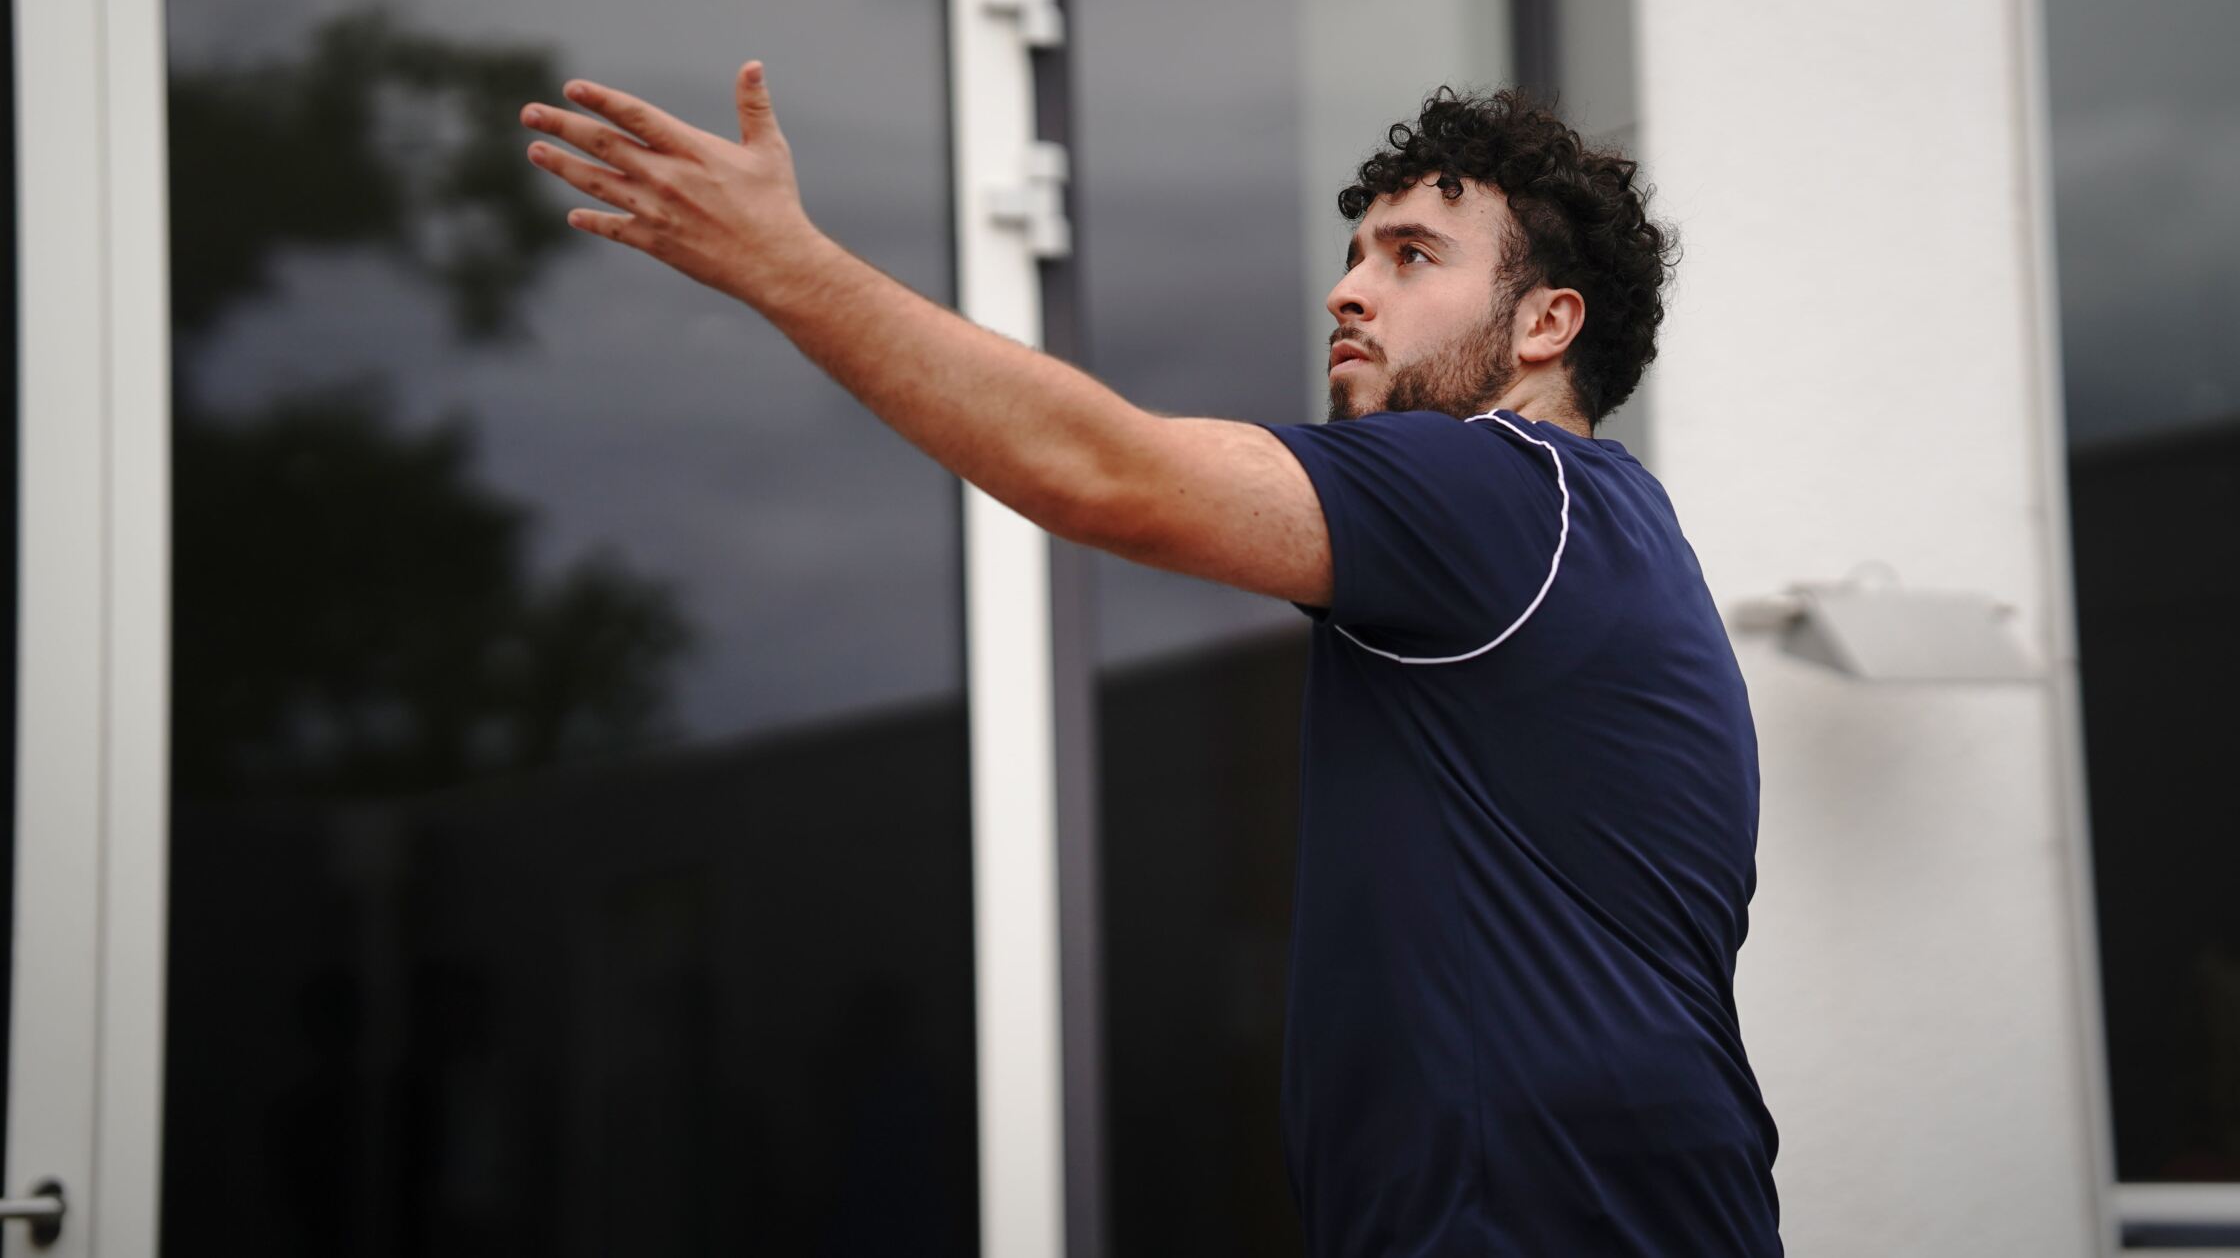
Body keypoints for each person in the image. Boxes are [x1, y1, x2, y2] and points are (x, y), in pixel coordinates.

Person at [518, 64, 1783, 1256]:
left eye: (1411, 259)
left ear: (1545, 325)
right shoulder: (1581, 535)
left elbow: (1107, 474)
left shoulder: (1502, 492)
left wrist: (782, 264)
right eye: (1353, 256)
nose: (1349, 292)